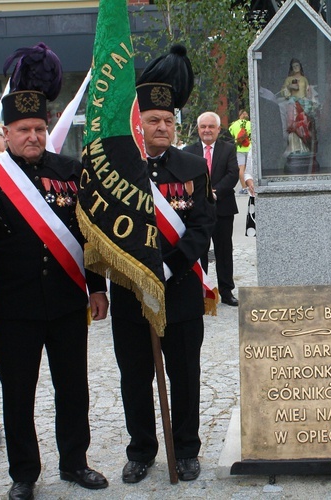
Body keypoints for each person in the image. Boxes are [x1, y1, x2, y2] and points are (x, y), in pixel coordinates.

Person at [0, 43, 109, 500]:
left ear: (47, 127)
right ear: (7, 132)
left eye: (39, 128)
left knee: (73, 387)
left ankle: (75, 462)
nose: (33, 136)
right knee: (18, 395)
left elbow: (89, 236)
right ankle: (23, 475)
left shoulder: (72, 171)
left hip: (68, 301)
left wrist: (97, 288)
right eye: (23, 130)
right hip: (13, 307)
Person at [110, 44, 215, 484]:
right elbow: (105, 230)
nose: (162, 127)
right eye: (154, 120)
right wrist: (137, 273)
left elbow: (201, 227)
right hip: (131, 292)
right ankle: (141, 450)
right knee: (135, 376)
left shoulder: (192, 166)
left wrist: (167, 268)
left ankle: (187, 449)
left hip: (180, 290)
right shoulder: (118, 170)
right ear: (139, 124)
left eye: (169, 121)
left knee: (184, 373)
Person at [185, 111, 240, 306]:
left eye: (211, 127)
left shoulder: (228, 149)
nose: (207, 130)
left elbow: (233, 174)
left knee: (224, 251)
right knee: (199, 250)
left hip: (223, 208)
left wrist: (214, 193)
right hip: (197, 211)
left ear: (218, 129)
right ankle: (201, 290)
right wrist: (202, 195)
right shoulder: (188, 150)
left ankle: (227, 292)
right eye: (203, 127)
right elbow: (185, 176)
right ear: (198, 129)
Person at [280, 59, 315, 155]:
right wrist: (290, 87)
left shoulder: (304, 79)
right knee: (294, 126)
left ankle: (304, 147)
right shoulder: (288, 79)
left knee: (304, 125)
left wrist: (310, 101)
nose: (296, 68)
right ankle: (294, 147)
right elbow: (283, 92)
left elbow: (308, 91)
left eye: (297, 65)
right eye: (294, 66)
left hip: (304, 104)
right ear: (291, 68)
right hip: (293, 104)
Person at [228, 110, 252, 194]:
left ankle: (244, 188)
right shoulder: (250, 124)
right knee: (251, 168)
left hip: (239, 149)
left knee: (241, 169)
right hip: (250, 148)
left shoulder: (234, 125)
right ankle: (252, 186)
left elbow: (231, 133)